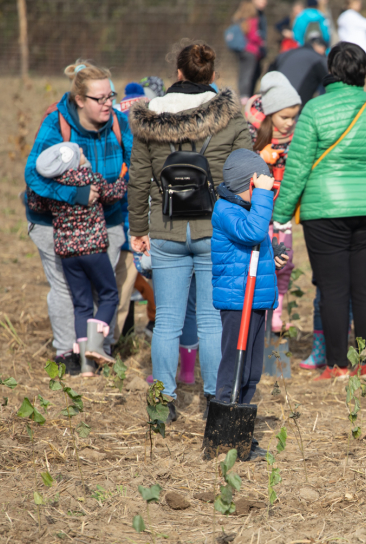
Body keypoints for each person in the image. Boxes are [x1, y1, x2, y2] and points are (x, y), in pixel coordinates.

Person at [129, 42, 252, 422]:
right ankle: (216, 400)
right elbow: (246, 172)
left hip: (164, 229)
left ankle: (162, 404)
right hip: (214, 230)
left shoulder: (149, 119)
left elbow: (137, 180)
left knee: (166, 320)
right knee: (212, 319)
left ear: (178, 73)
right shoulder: (231, 117)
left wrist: (138, 228)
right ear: (213, 76)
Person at [273, 42, 366, 381]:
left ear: (331, 69)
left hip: (324, 208)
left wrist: (281, 212)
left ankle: (337, 366)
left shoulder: (314, 109)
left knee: (333, 288)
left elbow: (298, 166)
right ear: (364, 72)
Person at [25, 59, 132, 377]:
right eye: (100, 99)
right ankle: (66, 352)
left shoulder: (118, 122)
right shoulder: (56, 124)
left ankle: (95, 352)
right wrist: (75, 195)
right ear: (80, 100)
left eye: (110, 96)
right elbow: (34, 174)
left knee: (102, 287)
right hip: (53, 222)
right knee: (64, 287)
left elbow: (136, 165)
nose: (108, 104)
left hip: (107, 220)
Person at [211, 150, 290, 461]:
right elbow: (254, 232)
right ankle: (222, 436)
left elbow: (257, 245)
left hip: (256, 300)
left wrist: (275, 256)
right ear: (248, 184)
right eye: (259, 184)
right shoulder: (225, 210)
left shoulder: (248, 206)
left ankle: (239, 433)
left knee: (252, 372)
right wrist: (263, 196)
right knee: (234, 368)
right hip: (236, 302)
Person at [28, 142, 126, 373]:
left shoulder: (52, 186)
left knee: (81, 305)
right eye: (79, 152)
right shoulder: (91, 178)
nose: (84, 153)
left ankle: (86, 368)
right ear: (74, 160)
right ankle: (94, 346)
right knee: (109, 295)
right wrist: (124, 178)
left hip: (67, 254)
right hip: (93, 250)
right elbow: (113, 195)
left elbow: (35, 203)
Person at [245, 72, 302, 335]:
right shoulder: (250, 132)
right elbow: (238, 167)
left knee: (284, 260)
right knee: (256, 263)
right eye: (285, 117)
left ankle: (276, 311)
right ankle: (256, 311)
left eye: (294, 117)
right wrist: (260, 157)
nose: (290, 123)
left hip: (282, 212)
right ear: (269, 114)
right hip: (255, 212)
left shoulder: (297, 138)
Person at [272, 31, 330, 103]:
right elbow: (329, 82)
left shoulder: (285, 53)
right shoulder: (317, 58)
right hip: (296, 105)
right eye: (324, 49)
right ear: (320, 46)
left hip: (273, 99)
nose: (324, 53)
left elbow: (268, 74)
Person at [232, 0, 268, 103]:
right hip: (252, 51)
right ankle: (245, 96)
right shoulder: (253, 20)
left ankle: (243, 95)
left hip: (243, 50)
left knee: (243, 73)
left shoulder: (241, 19)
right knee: (249, 74)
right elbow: (254, 36)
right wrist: (261, 42)